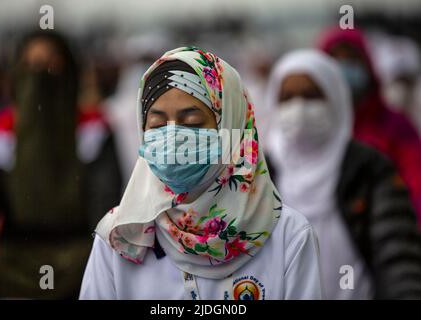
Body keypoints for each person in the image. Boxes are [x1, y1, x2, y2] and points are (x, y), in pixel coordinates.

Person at [79, 46, 323, 300]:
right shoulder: (122, 237)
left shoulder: (287, 236)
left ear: (231, 124)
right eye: (158, 125)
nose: (173, 137)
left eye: (192, 123)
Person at [0, 30, 123, 298]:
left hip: (80, 259)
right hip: (11, 261)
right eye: (32, 65)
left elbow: (105, 204)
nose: (41, 75)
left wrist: (100, 254)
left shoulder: (92, 131)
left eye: (52, 65)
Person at [264, 49, 421, 299]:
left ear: (335, 98)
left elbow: (398, 257)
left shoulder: (367, 168)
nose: (299, 107)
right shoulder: (260, 173)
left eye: (311, 95)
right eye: (287, 97)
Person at [317, 27, 421, 224]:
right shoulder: (311, 128)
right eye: (335, 59)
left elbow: (416, 180)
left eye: (352, 59)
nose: (344, 67)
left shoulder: (394, 125)